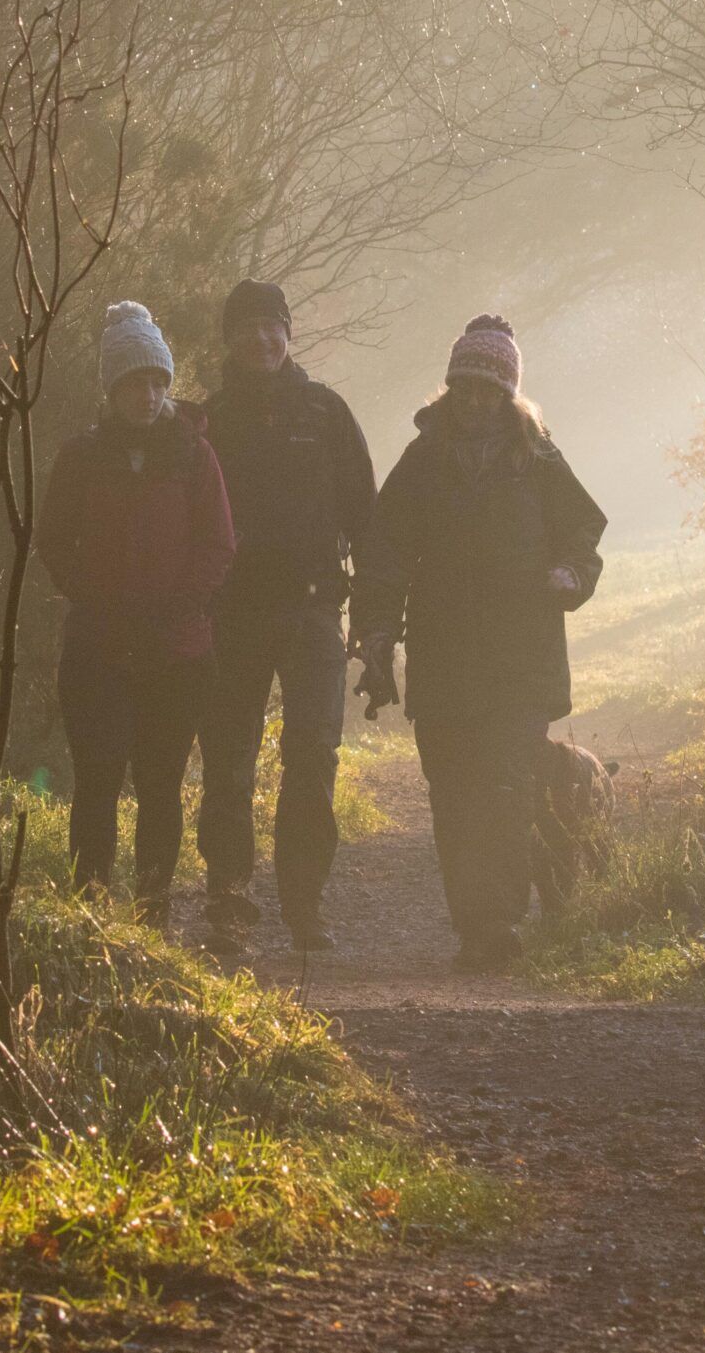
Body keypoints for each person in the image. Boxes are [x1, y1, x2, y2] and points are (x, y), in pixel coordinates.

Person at [353, 314, 607, 972]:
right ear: (450, 387)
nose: (474, 401)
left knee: (502, 784)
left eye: (488, 390)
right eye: (464, 387)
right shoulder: (422, 461)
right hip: (443, 658)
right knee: (454, 790)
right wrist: (376, 630)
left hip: (521, 659)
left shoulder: (538, 456)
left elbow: (583, 529)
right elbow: (382, 551)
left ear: (508, 394)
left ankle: (495, 922)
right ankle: (475, 921)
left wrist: (571, 574)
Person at [195, 279, 378, 951]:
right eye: (246, 329)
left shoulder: (327, 414)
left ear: (288, 333)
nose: (261, 339)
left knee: (312, 760)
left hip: (312, 614)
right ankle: (230, 905)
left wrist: (374, 617)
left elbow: (368, 519)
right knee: (228, 762)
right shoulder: (207, 422)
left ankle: (304, 904)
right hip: (232, 619)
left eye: (271, 326)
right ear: (229, 341)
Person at [38, 301, 234, 929]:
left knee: (160, 783)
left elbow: (219, 545)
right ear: (112, 387)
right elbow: (53, 541)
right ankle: (89, 910)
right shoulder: (81, 457)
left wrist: (186, 602)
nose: (148, 395)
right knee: (95, 779)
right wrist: (92, 595)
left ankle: (151, 911)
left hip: (177, 651)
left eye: (157, 381)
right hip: (97, 649)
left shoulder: (195, 456)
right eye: (134, 382)